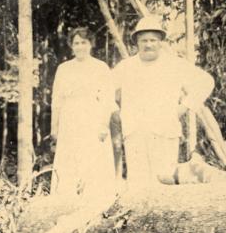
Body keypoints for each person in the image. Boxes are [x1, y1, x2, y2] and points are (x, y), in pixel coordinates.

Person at [113, 14, 214, 188]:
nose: (149, 44)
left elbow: (205, 82)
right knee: (138, 184)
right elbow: (104, 91)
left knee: (163, 182)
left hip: (164, 132)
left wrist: (183, 107)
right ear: (136, 42)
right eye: (144, 40)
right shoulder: (125, 67)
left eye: (153, 40)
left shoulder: (174, 65)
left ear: (160, 42)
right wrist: (116, 112)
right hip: (135, 134)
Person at [50, 27, 117, 198]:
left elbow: (108, 99)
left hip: (92, 118)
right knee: (69, 159)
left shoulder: (100, 67)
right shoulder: (64, 68)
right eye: (76, 43)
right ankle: (65, 200)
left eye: (84, 42)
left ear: (91, 44)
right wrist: (54, 129)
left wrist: (103, 125)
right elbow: (56, 101)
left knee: (93, 158)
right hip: (69, 118)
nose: (80, 47)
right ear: (71, 46)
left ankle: (95, 200)